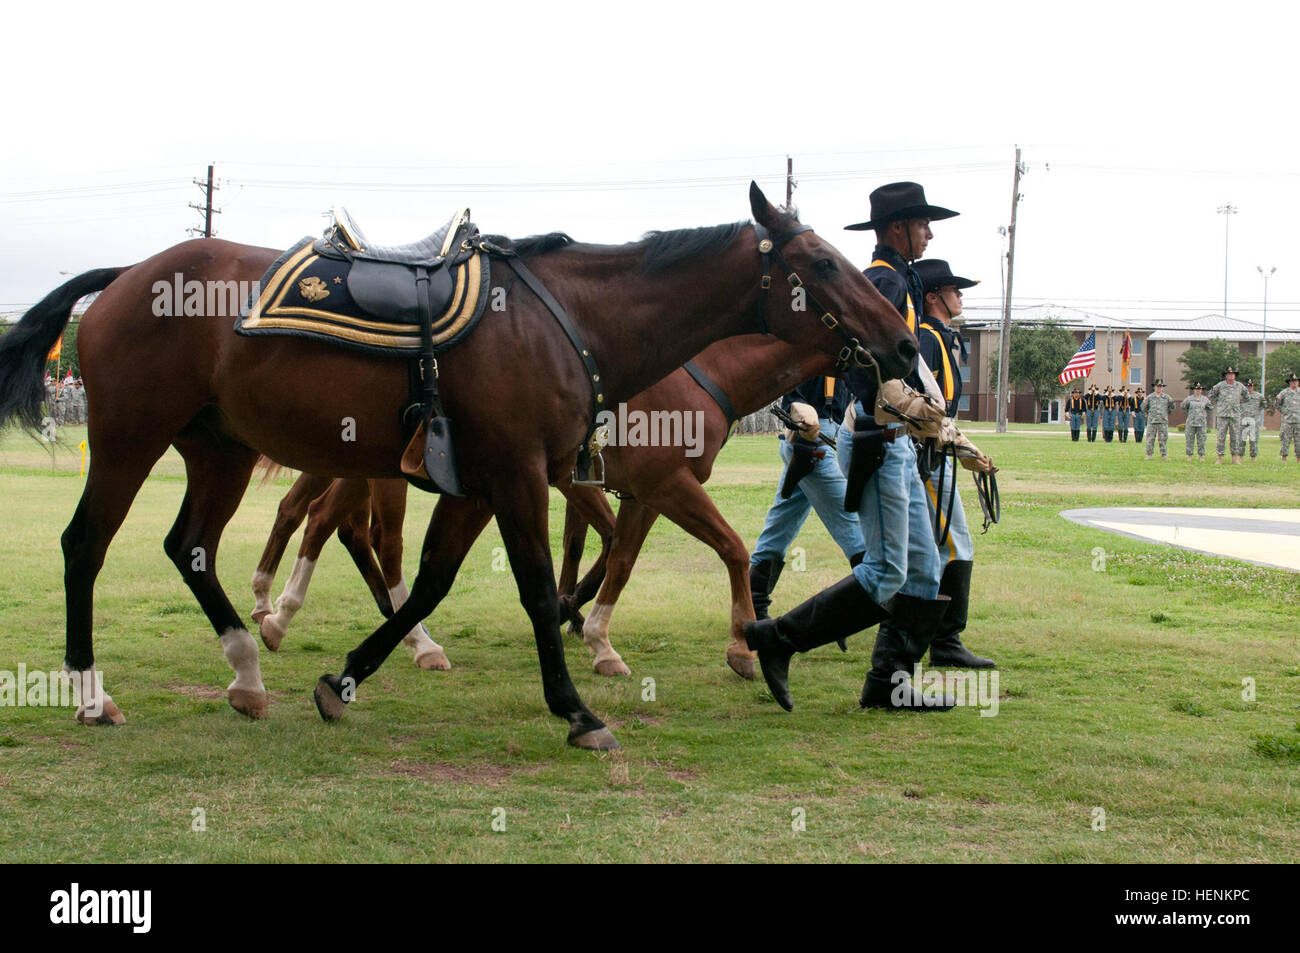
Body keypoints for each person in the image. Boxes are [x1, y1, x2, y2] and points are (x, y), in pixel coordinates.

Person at [744, 182, 994, 713]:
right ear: (896, 228)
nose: (928, 232)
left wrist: (941, 424)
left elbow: (904, 367)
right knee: (886, 571)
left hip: (897, 437)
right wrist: (909, 408)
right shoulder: (882, 281)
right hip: (880, 439)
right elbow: (866, 367)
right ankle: (778, 639)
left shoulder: (897, 279)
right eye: (922, 223)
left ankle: (889, 685)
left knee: (924, 571)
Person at [911, 257, 995, 669]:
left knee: (926, 551)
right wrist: (956, 444)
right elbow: (925, 407)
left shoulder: (940, 337)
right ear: (933, 296)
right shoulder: (927, 338)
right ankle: (945, 641)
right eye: (954, 289)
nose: (960, 296)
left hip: (938, 449)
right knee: (954, 543)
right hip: (927, 456)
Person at [749, 374, 864, 621]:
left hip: (826, 436)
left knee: (780, 525)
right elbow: (792, 396)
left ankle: (752, 605)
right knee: (853, 520)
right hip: (811, 443)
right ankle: (866, 608)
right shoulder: (815, 347)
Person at [1209, 365, 1249, 465]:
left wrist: (1238, 403)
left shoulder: (1240, 386)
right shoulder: (1220, 385)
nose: (1230, 376)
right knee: (1221, 436)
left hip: (1235, 415)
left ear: (1235, 375)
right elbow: (1211, 395)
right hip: (1222, 415)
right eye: (1228, 374)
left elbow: (1247, 397)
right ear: (1226, 375)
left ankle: (1234, 458)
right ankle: (1220, 458)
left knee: (1235, 436)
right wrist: (1220, 403)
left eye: (1232, 374)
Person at [1141, 379, 1175, 460]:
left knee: (1163, 439)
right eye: (1157, 386)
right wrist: (1149, 414)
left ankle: (1164, 455)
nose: (1159, 388)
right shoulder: (1150, 397)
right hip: (1152, 421)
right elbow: (1143, 407)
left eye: (1160, 386)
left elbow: (1172, 406)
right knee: (1150, 438)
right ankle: (1149, 455)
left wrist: (1166, 413)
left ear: (1162, 387)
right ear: (1154, 387)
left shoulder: (1167, 398)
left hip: (1162, 421)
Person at [1239, 379, 1266, 461]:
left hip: (1254, 420)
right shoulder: (1240, 396)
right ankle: (1241, 457)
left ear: (1253, 387)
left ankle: (1253, 457)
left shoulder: (1259, 396)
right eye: (1247, 386)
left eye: (1251, 386)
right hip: (1242, 420)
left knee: (1253, 440)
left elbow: (1264, 405)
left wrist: (1256, 413)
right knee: (1241, 439)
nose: (1249, 388)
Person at [1183, 383, 1210, 460]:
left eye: (1199, 389)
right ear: (1194, 390)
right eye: (1196, 389)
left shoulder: (1205, 399)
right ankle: (1189, 455)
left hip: (1201, 423)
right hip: (1191, 422)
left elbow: (1210, 407)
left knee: (1202, 439)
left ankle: (1201, 456)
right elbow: (1183, 406)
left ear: (1201, 390)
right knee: (1189, 439)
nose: (1198, 391)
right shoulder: (1189, 399)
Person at [1278, 372, 1300, 462]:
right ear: (1289, 382)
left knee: (1299, 441)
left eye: (1296, 381)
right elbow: (1277, 403)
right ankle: (1284, 458)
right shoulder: (1284, 393)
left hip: (1299, 421)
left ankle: (1298, 459)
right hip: (1287, 421)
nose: (1294, 382)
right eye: (1292, 381)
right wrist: (1284, 411)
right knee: (1285, 440)